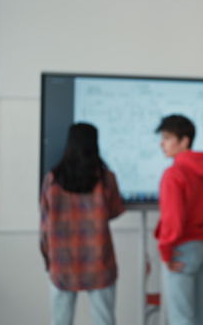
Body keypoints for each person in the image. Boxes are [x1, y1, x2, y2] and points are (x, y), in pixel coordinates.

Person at [40, 123, 125, 325]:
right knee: (104, 320)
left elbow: (44, 228)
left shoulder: (52, 179)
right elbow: (113, 211)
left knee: (60, 321)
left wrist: (47, 259)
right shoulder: (106, 178)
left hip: (62, 263)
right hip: (99, 262)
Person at [154, 114, 203, 325]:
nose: (161, 143)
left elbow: (173, 220)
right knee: (199, 314)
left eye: (167, 138)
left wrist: (165, 251)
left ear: (184, 141)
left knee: (181, 318)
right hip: (202, 244)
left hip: (180, 248)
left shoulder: (173, 174)